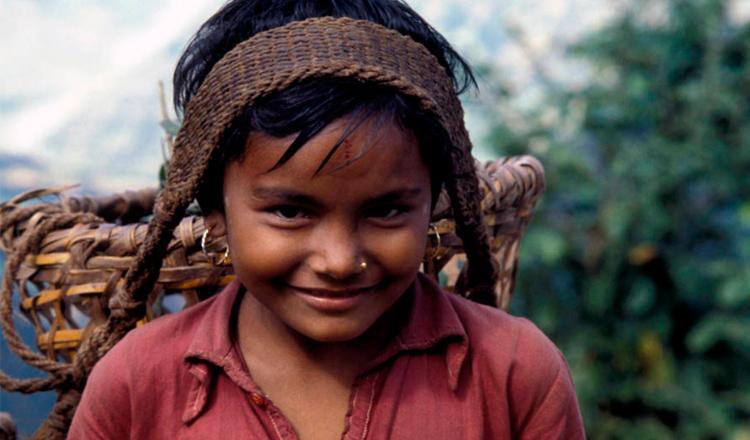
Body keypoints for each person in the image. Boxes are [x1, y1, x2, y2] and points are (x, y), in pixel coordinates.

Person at [68, 0, 585, 438]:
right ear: (217, 214)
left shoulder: (514, 375)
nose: (340, 261)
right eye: (290, 211)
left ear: (434, 203)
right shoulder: (138, 386)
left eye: (386, 210)